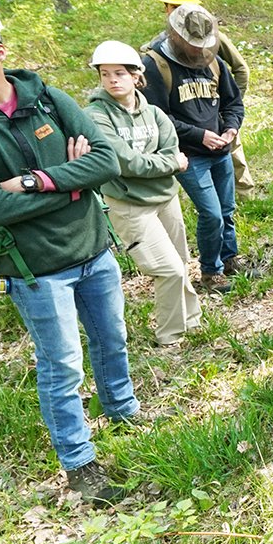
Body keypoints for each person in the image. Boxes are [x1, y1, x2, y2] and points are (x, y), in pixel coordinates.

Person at [0, 0, 139, 504]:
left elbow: (106, 162)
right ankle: (79, 462)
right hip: (34, 266)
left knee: (113, 341)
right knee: (62, 364)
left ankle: (124, 413)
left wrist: (36, 182)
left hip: (93, 247)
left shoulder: (47, 97)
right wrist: (72, 181)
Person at [84, 40, 202, 347]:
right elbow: (123, 161)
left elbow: (171, 149)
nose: (112, 80)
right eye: (105, 74)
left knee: (181, 262)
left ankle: (192, 321)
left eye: (120, 73)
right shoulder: (96, 116)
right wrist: (168, 163)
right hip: (129, 204)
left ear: (137, 75)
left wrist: (164, 163)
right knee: (168, 269)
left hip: (165, 197)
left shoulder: (155, 114)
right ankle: (170, 336)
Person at [142, 4, 243, 292]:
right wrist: (200, 136)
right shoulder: (155, 65)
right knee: (210, 213)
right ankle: (210, 271)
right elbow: (157, 117)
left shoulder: (214, 63)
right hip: (187, 155)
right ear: (176, 36)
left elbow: (232, 102)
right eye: (192, 44)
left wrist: (231, 127)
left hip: (220, 149)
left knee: (226, 209)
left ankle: (229, 257)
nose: (198, 50)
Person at [150, 0, 254, 197]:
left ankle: (244, 198)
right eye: (174, 7)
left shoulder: (211, 36)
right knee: (211, 210)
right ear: (165, 9)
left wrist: (226, 114)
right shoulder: (161, 47)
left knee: (233, 162)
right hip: (190, 133)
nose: (179, 12)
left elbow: (240, 69)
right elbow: (157, 111)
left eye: (184, 6)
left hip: (216, 115)